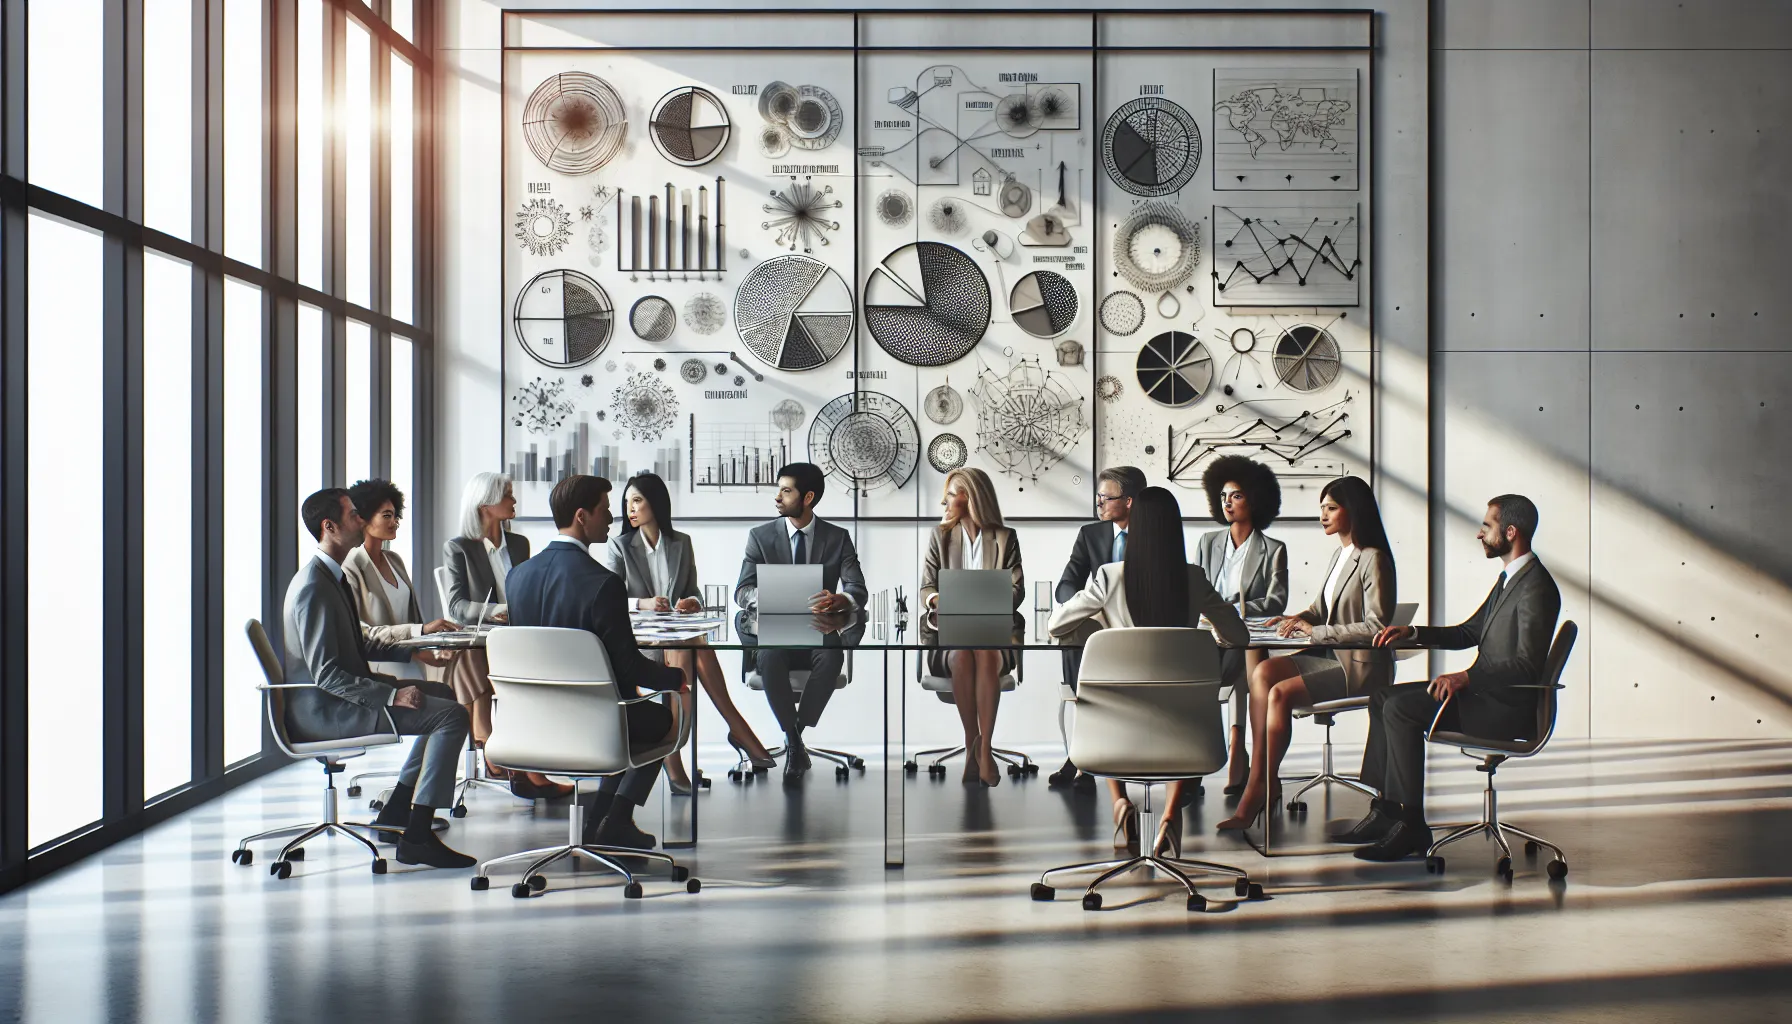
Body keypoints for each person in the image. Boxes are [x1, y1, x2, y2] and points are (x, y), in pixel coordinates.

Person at [1337, 494, 1561, 862]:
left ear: (1510, 531)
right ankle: (1388, 811)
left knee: (1401, 710)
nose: (1480, 534)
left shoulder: (1536, 587)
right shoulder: (1511, 580)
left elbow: (1526, 667)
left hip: (1503, 708)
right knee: (1383, 697)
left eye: (1486, 526)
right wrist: (1412, 632)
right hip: (1486, 697)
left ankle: (1411, 825)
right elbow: (1467, 633)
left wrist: (1466, 679)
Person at [1049, 487, 1249, 858]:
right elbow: (1240, 635)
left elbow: (1056, 625)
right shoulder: (1193, 578)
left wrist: (1100, 624)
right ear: (1175, 530)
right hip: (1182, 732)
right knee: (1180, 702)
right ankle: (1171, 816)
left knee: (1106, 699)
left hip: (1117, 732)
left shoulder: (1109, 577)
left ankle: (1120, 804)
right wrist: (1207, 632)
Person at [283, 488, 475, 869]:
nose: (361, 520)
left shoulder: (330, 577)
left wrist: (413, 649)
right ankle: (417, 834)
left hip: (342, 695)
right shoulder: (314, 587)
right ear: (330, 527)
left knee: (444, 695)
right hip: (328, 708)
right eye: (354, 515)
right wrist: (390, 696)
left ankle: (398, 810)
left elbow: (359, 643)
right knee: (451, 717)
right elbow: (326, 674)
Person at [506, 475, 688, 850]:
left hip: (531, 723)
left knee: (626, 717)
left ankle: (597, 825)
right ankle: (615, 819)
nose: (611, 517)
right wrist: (675, 677)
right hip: (593, 723)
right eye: (604, 510)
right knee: (659, 721)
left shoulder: (517, 577)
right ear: (581, 517)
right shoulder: (603, 583)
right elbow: (630, 668)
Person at [1218, 475, 1396, 832]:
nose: (1323, 516)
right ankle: (1265, 782)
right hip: (1330, 655)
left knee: (1280, 693)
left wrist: (1315, 631)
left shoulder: (1373, 558)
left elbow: (1377, 626)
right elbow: (1321, 607)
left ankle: (1258, 788)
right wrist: (1296, 618)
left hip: (1358, 666)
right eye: (1321, 509)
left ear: (1353, 511)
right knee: (1262, 673)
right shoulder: (1339, 554)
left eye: (1331, 508)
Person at [602, 472, 777, 793]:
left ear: (656, 503)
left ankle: (675, 758)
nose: (630, 509)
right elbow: (610, 600)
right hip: (639, 643)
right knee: (692, 647)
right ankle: (735, 731)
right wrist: (644, 603)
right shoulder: (619, 546)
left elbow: (694, 590)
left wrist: (691, 603)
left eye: (637, 500)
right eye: (627, 502)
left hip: (675, 637)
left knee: (688, 646)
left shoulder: (681, 543)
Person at [438, 471, 570, 799]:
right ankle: (517, 763)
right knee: (473, 656)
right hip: (483, 640)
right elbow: (456, 607)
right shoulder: (459, 548)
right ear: (485, 505)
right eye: (507, 496)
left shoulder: (519, 544)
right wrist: (494, 611)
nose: (514, 501)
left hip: (520, 637)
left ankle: (496, 746)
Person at [734, 462, 868, 782]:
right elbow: (743, 591)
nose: (777, 497)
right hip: (776, 632)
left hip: (819, 632)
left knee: (832, 655)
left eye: (786, 490)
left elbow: (856, 589)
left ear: (807, 497)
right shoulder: (761, 537)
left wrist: (842, 600)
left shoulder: (837, 538)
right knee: (768, 655)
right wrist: (776, 597)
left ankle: (794, 737)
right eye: (778, 489)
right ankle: (796, 744)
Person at [918, 468, 1024, 787]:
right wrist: (940, 600)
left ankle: (985, 748)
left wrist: (984, 599)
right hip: (949, 636)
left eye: (951, 495)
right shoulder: (941, 536)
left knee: (986, 651)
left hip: (994, 635)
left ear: (971, 497)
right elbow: (926, 588)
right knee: (963, 653)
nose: (944, 501)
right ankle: (971, 746)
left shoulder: (1005, 538)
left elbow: (1017, 590)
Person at [1193, 456, 1289, 796]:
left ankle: (1237, 745)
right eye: (1223, 496)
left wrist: (1231, 609)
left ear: (1255, 499)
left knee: (1240, 657)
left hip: (1244, 632)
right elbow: (1194, 588)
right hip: (1205, 632)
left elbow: (1276, 601)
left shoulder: (1273, 550)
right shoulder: (1208, 542)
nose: (1228, 503)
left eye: (1236, 495)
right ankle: (1232, 748)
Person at [1049, 465, 1147, 791]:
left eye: (1106, 497)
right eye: (1098, 497)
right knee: (1072, 634)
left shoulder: (1156, 532)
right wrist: (1082, 606)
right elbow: (1067, 582)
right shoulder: (1091, 534)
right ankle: (1084, 751)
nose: (1099, 504)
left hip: (1144, 629)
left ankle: (1085, 755)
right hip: (1101, 626)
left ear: (1130, 501)